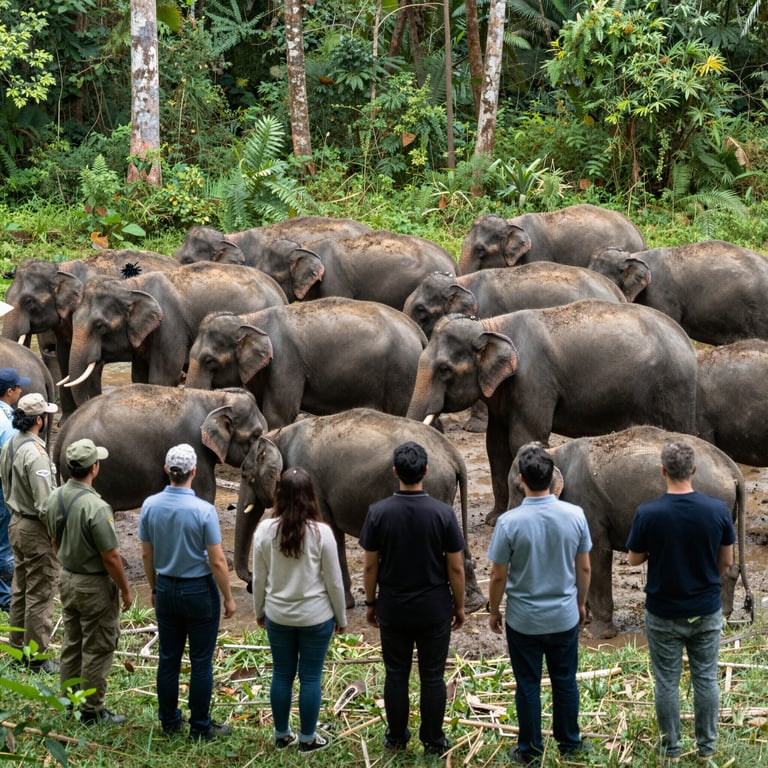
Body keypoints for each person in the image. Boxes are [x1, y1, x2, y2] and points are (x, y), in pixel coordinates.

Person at [626, 441, 735, 765]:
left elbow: (633, 560)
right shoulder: (717, 510)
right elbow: (726, 562)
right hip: (705, 609)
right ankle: (706, 750)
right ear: (694, 470)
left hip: (663, 612)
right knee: (706, 678)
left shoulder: (648, 513)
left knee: (666, 682)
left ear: (663, 471)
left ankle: (671, 751)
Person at [487, 445, 592, 766]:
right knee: (565, 681)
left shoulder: (508, 523)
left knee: (528, 685)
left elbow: (497, 576)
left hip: (524, 621)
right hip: (563, 617)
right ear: (553, 478)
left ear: (520, 480)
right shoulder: (575, 515)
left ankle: (529, 749)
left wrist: (494, 610)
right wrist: (581, 604)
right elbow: (584, 568)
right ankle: (570, 743)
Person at [359, 441, 466, 757]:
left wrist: (370, 602)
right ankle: (433, 739)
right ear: (426, 471)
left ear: (395, 472)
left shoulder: (378, 513)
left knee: (396, 673)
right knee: (433, 675)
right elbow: (456, 567)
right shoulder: (443, 514)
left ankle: (395, 737)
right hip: (434, 606)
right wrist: (458, 606)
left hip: (393, 605)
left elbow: (369, 564)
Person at [138, 443, 236, 741]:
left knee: (169, 657)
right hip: (198, 591)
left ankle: (169, 721)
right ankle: (200, 725)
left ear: (167, 470)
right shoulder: (204, 511)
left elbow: (146, 554)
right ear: (194, 471)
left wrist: (155, 587)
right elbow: (218, 561)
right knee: (201, 660)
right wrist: (229, 598)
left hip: (166, 586)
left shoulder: (150, 506)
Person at [252, 467, 347, 754]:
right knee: (310, 677)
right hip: (316, 617)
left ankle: (281, 735)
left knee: (281, 674)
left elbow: (259, 578)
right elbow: (335, 581)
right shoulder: (322, 533)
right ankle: (307, 738)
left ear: (278, 495)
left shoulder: (265, 531)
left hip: (278, 615)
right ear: (310, 496)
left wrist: (259, 611)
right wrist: (341, 617)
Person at [44, 438, 134, 724]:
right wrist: (125, 590)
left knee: (72, 642)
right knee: (97, 647)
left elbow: (53, 541)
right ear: (94, 468)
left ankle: (69, 699)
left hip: (67, 579)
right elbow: (110, 556)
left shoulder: (54, 497)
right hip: (93, 585)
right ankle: (92, 710)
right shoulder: (97, 507)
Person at [0, 392, 59, 671]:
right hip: (35, 529)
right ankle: (37, 657)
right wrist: (56, 535)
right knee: (40, 592)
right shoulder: (36, 453)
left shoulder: (10, 444)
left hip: (15, 523)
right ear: (39, 420)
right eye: (45, 415)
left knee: (20, 588)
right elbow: (46, 504)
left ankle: (17, 650)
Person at [0, 368, 30, 613]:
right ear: (10, 392)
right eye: (18, 387)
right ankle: (6, 597)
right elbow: (13, 458)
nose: (21, 390)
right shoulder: (8, 422)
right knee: (4, 541)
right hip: (3, 487)